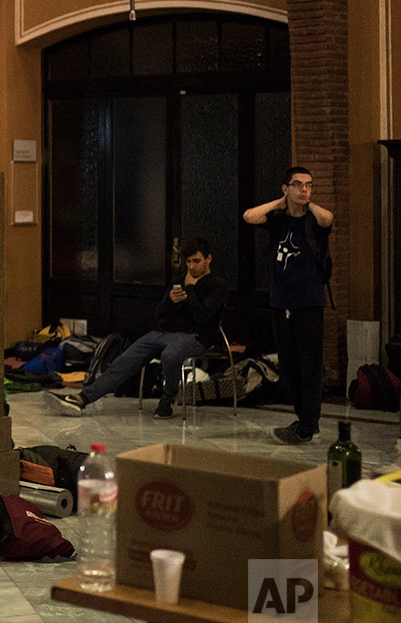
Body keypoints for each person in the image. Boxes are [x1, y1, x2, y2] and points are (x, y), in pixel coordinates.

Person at [53, 238, 228, 419]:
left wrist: (190, 291)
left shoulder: (216, 285)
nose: (192, 267)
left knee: (171, 354)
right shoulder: (178, 281)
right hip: (164, 333)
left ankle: (168, 398)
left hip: (195, 336)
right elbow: (159, 317)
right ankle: (83, 398)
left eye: (196, 261)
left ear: (208, 259)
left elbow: (203, 317)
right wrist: (170, 301)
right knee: (126, 359)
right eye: (189, 262)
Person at [244, 166, 335, 444]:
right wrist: (281, 203)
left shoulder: (313, 221)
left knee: (310, 365)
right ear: (286, 188)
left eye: (308, 185)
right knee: (289, 364)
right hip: (280, 301)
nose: (304, 189)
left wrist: (306, 203)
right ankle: (303, 418)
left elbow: (328, 218)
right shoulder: (278, 220)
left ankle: (308, 426)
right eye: (297, 185)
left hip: (308, 302)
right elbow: (249, 216)